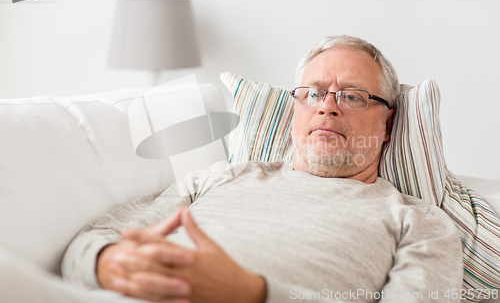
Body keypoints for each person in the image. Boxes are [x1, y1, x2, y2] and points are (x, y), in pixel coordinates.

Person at [62, 35, 463, 303]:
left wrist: (255, 293)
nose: (327, 106)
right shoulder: (221, 176)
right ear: (295, 110)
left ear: (387, 124)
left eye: (353, 96)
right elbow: (92, 240)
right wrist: (106, 263)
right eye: (313, 93)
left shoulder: (419, 220)